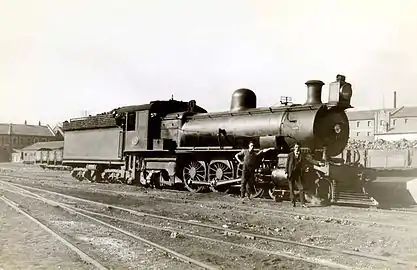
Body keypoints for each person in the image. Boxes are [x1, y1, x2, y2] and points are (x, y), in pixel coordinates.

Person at [285, 143, 324, 207]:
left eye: (298, 147)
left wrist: (318, 163)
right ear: (294, 148)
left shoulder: (302, 155)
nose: (297, 149)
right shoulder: (290, 155)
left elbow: (310, 161)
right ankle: (293, 202)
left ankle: (302, 203)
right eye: (296, 147)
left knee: (301, 188)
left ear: (300, 148)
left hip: (298, 174)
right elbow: (287, 164)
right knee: (291, 189)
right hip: (291, 174)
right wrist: (286, 172)